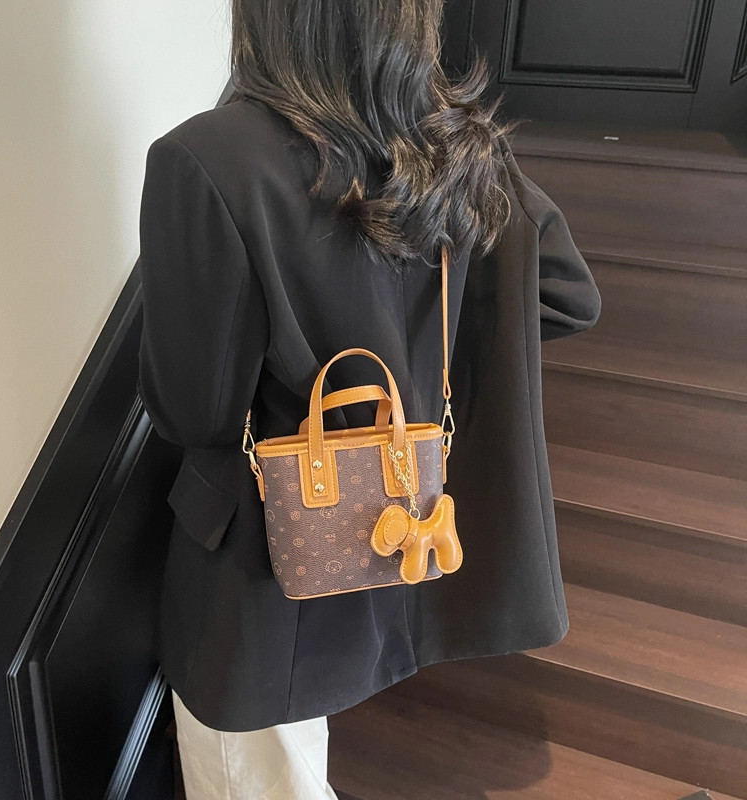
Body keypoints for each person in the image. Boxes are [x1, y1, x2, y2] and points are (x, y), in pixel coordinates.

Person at [136, 1, 602, 797]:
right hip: (403, 526)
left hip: (264, 570)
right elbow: (566, 295)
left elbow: (194, 412)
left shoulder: (207, 159)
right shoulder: (454, 142)